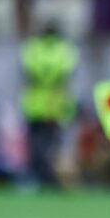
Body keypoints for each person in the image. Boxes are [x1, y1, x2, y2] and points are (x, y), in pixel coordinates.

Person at [20, 25, 79, 188]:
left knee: (35, 145)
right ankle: (56, 179)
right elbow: (67, 77)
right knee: (56, 145)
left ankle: (35, 178)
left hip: (35, 103)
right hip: (57, 103)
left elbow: (28, 75)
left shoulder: (32, 48)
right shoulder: (65, 50)